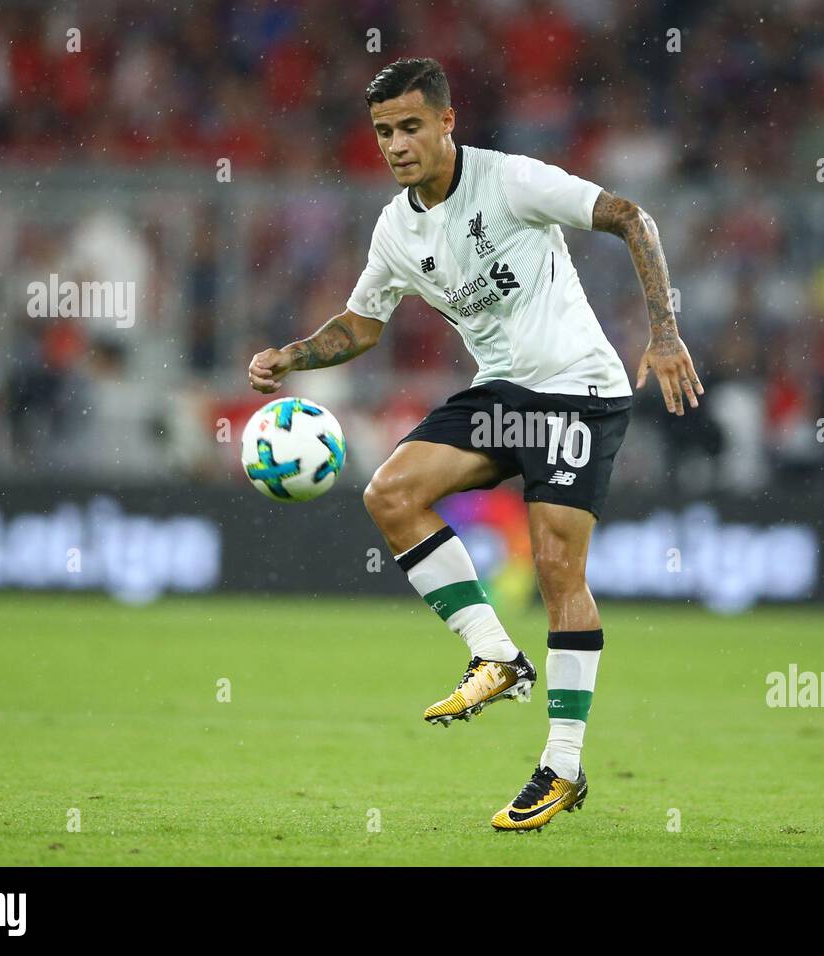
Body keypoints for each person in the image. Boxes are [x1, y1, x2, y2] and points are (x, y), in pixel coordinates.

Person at [247, 58, 703, 831]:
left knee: (560, 571)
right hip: (504, 395)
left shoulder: (513, 181)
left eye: (411, 126)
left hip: (578, 391)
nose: (396, 144)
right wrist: (292, 356)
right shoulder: (396, 227)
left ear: (448, 122)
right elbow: (362, 323)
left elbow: (632, 215)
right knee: (390, 492)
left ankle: (561, 764)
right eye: (384, 131)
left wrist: (664, 334)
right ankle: (494, 655)